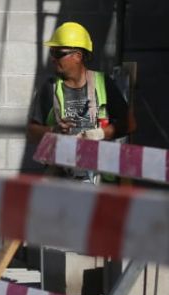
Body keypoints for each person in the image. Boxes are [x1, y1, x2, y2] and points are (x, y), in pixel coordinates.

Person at [27, 22, 131, 183]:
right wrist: (53, 130)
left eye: (58, 53)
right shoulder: (49, 88)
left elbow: (130, 123)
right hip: (62, 183)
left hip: (100, 182)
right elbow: (32, 132)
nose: (53, 58)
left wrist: (98, 134)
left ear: (77, 55)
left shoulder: (103, 83)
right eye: (51, 52)